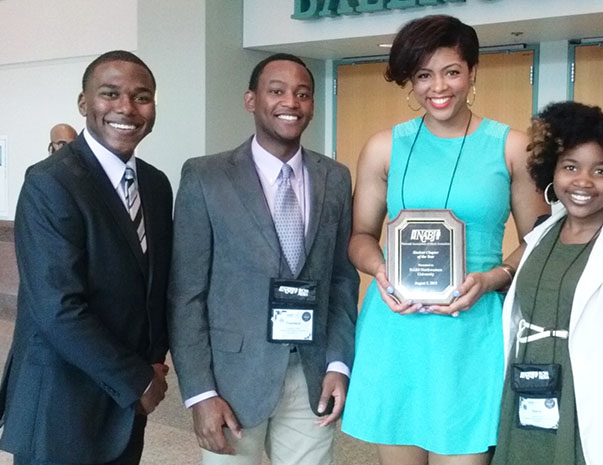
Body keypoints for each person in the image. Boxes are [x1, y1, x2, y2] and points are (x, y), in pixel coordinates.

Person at [341, 15, 546, 465]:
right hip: (397, 324)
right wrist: (379, 269)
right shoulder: (384, 147)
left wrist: (495, 277)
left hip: (471, 327)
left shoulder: (511, 147)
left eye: (451, 71)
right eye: (423, 75)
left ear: (472, 72)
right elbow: (359, 237)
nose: (439, 86)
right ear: (411, 82)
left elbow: (541, 239)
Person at [168, 53, 358, 465]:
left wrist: (339, 363)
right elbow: (186, 294)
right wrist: (200, 392)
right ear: (251, 99)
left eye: (303, 94)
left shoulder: (336, 178)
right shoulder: (206, 177)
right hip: (232, 382)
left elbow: (342, 279)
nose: (291, 101)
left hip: (310, 377)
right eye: (277, 91)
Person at [0, 50, 173, 465]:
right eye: (110, 94)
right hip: (63, 403)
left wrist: (154, 360)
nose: (126, 109)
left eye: (141, 96)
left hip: (126, 406)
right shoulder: (51, 182)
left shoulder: (155, 184)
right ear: (84, 103)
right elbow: (57, 309)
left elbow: (155, 286)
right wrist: (135, 380)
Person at [492, 101, 603, 465]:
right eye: (570, 167)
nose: (582, 181)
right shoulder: (541, 234)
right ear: (552, 171)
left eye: (600, 170)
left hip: (584, 412)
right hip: (523, 402)